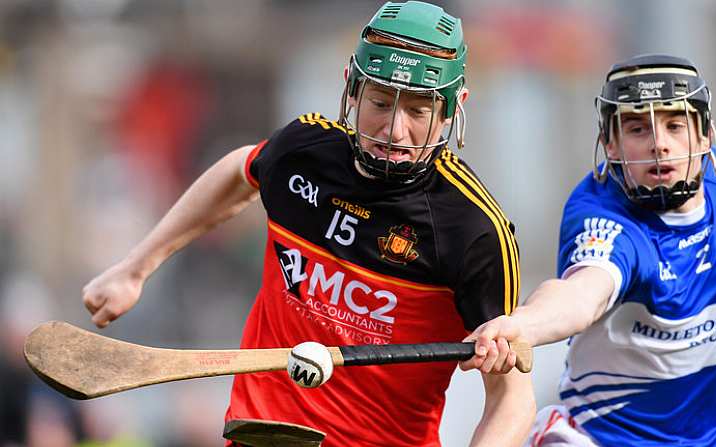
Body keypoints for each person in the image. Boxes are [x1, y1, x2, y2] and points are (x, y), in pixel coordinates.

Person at [82, 2, 535, 446]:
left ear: (454, 108)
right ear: (351, 89)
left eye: (417, 111)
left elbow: (512, 400)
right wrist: (136, 268)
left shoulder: (473, 228)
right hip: (259, 434)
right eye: (379, 101)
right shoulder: (305, 152)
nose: (395, 130)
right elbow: (240, 171)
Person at [461, 54, 716, 446]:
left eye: (675, 125)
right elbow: (581, 294)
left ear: (705, 136)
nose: (659, 144)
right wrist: (523, 325)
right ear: (611, 144)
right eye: (638, 128)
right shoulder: (602, 213)